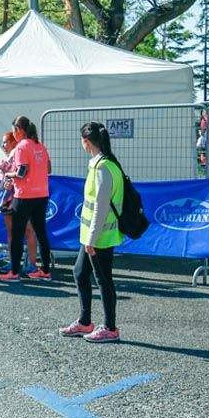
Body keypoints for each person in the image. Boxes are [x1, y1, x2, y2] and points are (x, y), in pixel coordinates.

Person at [60, 122, 124, 343]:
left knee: (104, 280)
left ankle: (110, 327)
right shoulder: (104, 164)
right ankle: (85, 321)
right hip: (93, 236)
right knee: (80, 272)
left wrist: (91, 239)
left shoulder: (103, 168)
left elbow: (101, 206)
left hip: (99, 237)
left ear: (86, 142)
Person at [0, 116, 52, 281]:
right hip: (42, 194)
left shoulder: (22, 147)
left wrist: (8, 173)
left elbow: (22, 172)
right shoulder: (40, 146)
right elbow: (48, 169)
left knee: (17, 234)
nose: (14, 134)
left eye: (14, 130)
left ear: (19, 130)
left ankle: (14, 272)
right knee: (41, 232)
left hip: (24, 195)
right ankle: (44, 270)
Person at [0, 131, 38, 274]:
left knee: (29, 230)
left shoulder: (23, 152)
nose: (3, 145)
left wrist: (11, 179)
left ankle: (32, 264)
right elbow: (2, 184)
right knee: (12, 232)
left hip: (25, 197)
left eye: (6, 142)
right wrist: (5, 185)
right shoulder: (7, 159)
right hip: (10, 200)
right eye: (3, 142)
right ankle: (14, 263)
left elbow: (24, 174)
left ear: (14, 142)